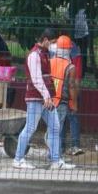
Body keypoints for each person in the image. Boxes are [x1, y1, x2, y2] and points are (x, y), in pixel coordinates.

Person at [12, 29, 75, 170]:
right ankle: (18, 159)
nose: (53, 46)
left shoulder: (45, 54)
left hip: (46, 99)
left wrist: (48, 97)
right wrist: (47, 96)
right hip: (35, 98)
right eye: (52, 42)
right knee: (30, 127)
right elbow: (36, 79)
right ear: (45, 39)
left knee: (55, 126)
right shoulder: (34, 55)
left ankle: (55, 161)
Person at [49, 38, 84, 156]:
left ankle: (59, 149)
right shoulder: (70, 66)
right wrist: (74, 103)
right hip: (64, 99)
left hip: (53, 99)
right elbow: (72, 86)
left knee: (57, 126)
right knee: (67, 121)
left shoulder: (50, 62)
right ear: (68, 49)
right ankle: (71, 147)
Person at [74, 7, 89, 77]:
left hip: (80, 35)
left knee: (81, 54)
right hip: (80, 35)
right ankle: (80, 72)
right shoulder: (85, 11)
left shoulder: (78, 11)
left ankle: (82, 72)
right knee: (80, 54)